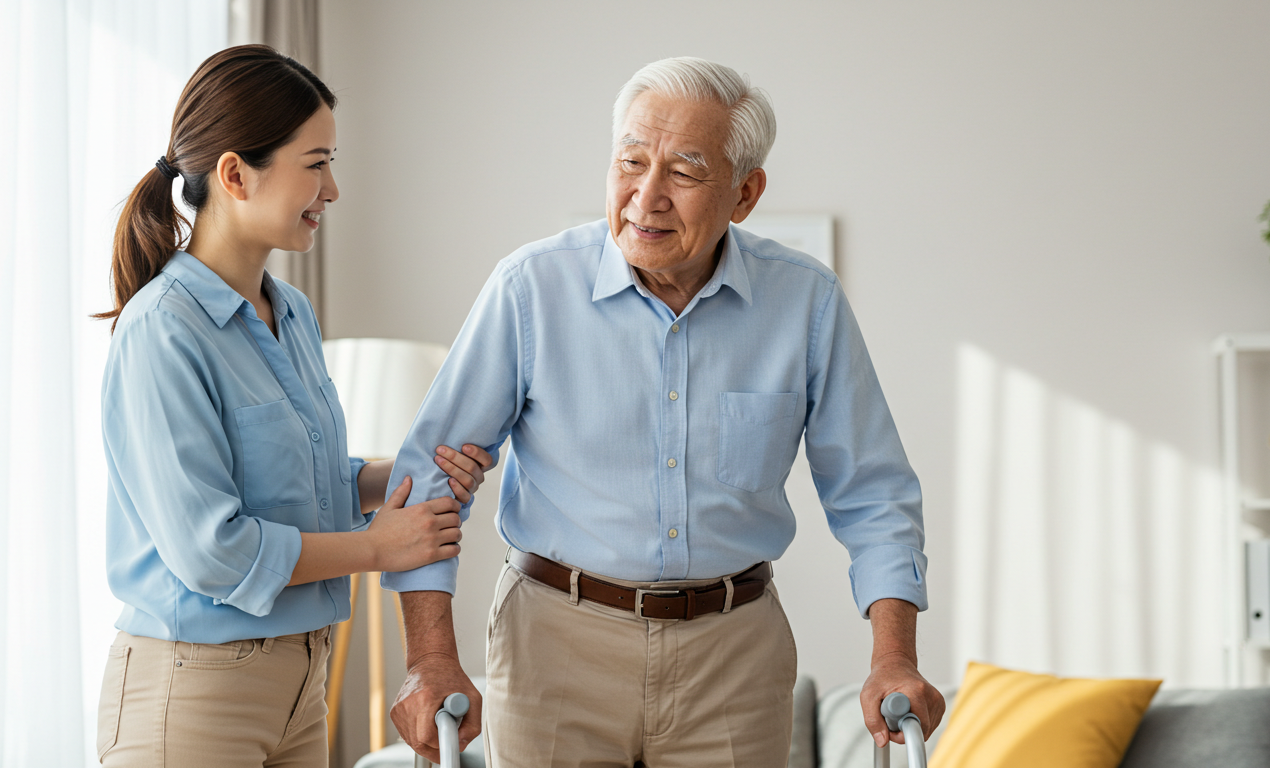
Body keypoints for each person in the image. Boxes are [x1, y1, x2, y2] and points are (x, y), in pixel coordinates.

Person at [385, 56, 944, 767]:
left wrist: (893, 656)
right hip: (553, 643)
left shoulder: (806, 302)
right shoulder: (530, 289)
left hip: (734, 655)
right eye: (630, 162)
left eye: (683, 173)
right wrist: (430, 658)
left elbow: (874, 492)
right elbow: (429, 479)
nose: (645, 197)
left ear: (745, 194)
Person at [93, 45, 493, 768]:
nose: (332, 189)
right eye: (315, 164)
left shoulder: (292, 313)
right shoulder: (163, 329)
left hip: (302, 685)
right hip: (194, 691)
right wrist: (378, 547)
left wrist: (392, 477)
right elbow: (212, 550)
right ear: (235, 175)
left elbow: (299, 485)